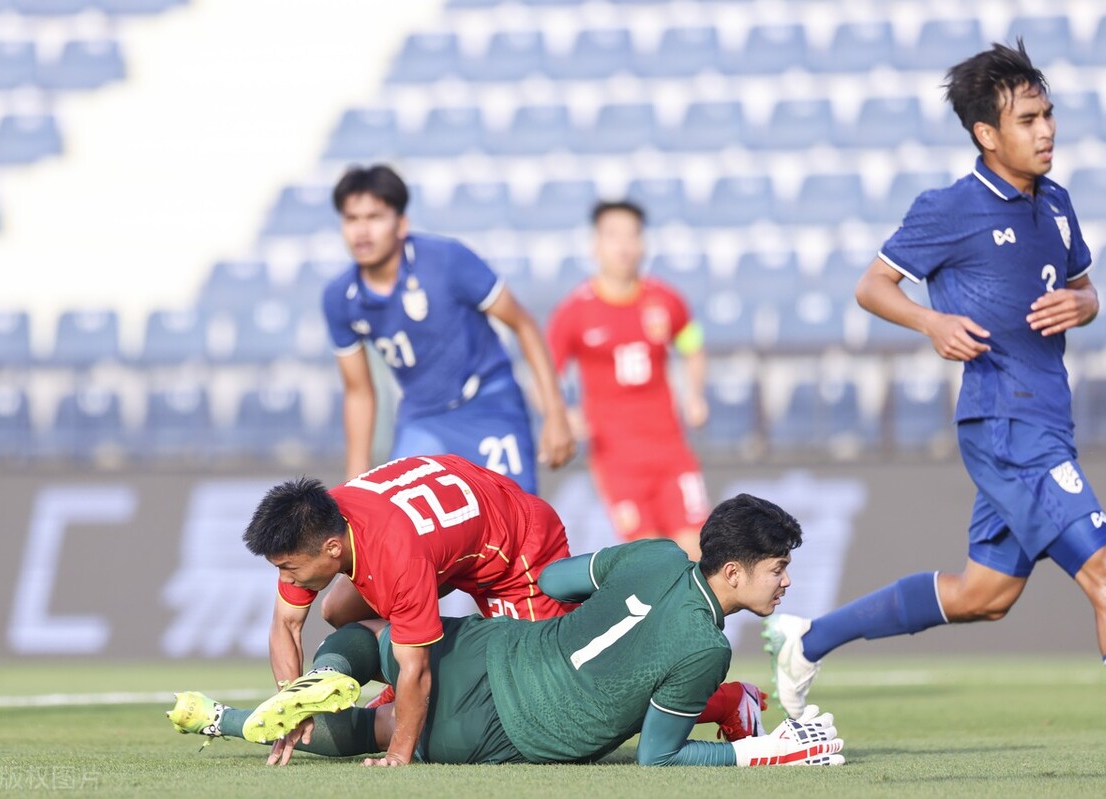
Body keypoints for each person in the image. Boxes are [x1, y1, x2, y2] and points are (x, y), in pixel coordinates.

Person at [762, 41, 1106, 792]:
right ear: (986, 134)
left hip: (1044, 423)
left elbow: (1087, 288)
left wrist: (1083, 304)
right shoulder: (949, 208)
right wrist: (932, 324)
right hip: (1005, 424)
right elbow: (872, 285)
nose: (1046, 130)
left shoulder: (1056, 205)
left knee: (983, 596)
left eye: (1048, 114)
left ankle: (810, 637)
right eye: (1028, 119)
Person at [168, 495, 846, 769]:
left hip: (496, 645)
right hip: (514, 727)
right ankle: (217, 717)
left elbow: (552, 582)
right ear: (733, 569)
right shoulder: (706, 647)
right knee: (354, 732)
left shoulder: (657, 554)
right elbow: (658, 759)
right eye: (778, 567)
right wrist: (768, 751)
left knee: (379, 642)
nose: (784, 581)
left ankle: (331, 670)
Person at [244, 454, 767, 767]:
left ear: (332, 548)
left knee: (566, 696)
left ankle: (727, 701)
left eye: (289, 568)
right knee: (341, 610)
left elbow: (416, 666)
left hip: (516, 548)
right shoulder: (321, 520)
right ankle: (395, 700)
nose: (285, 579)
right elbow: (285, 625)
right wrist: (290, 707)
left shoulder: (390, 556)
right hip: (453, 531)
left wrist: (400, 753)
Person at [322, 164, 574, 489]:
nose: (361, 231)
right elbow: (358, 390)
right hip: (423, 419)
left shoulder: (448, 261)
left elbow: (523, 324)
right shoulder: (340, 297)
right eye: (351, 219)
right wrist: (354, 475)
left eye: (374, 217)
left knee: (520, 526)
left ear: (401, 224)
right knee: (406, 525)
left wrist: (555, 413)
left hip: (489, 405)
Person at [547, 201, 710, 559]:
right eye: (612, 235)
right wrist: (562, 414)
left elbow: (692, 346)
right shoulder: (575, 312)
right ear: (595, 245)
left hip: (670, 451)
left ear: (643, 243)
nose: (623, 246)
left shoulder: (667, 301)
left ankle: (698, 618)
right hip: (617, 460)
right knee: (652, 560)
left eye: (632, 235)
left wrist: (694, 394)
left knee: (697, 552)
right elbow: (545, 376)